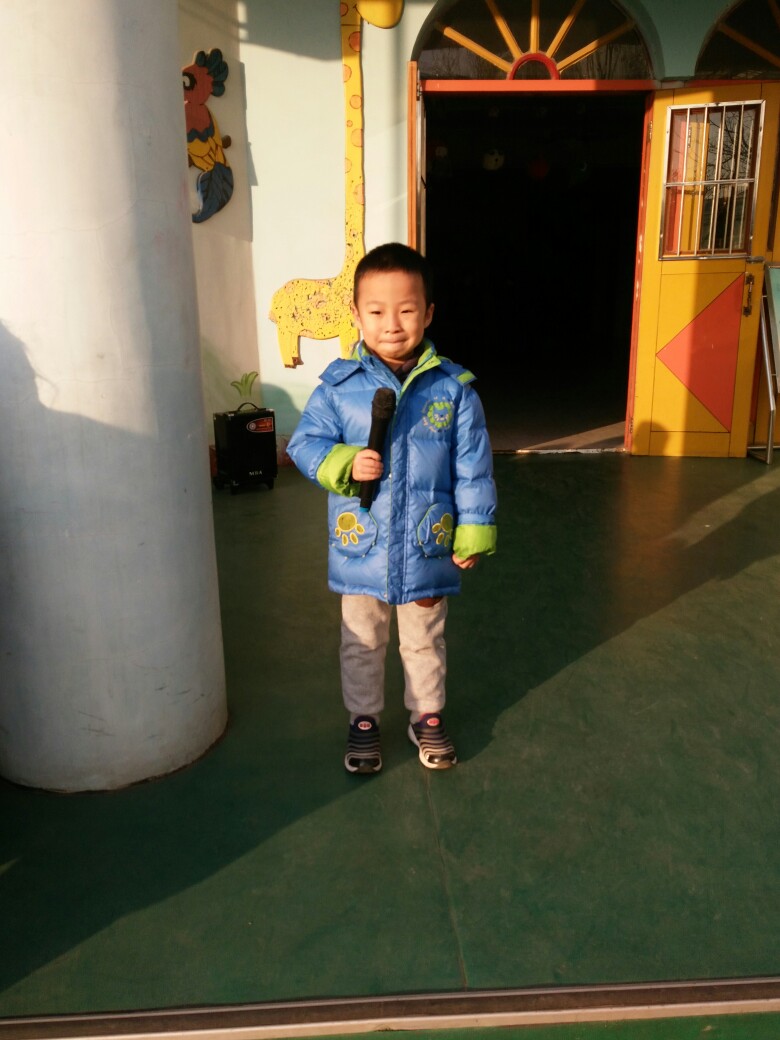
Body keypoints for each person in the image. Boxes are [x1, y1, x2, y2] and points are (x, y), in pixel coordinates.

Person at [287, 242, 497, 774]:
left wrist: (474, 527)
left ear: (428, 313)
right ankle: (363, 720)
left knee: (424, 640)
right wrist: (343, 461)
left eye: (406, 310)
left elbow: (472, 466)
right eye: (377, 311)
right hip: (362, 546)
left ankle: (426, 715)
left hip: (428, 544)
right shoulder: (338, 387)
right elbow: (304, 444)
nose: (392, 325)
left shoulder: (453, 390)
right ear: (356, 315)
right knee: (361, 640)